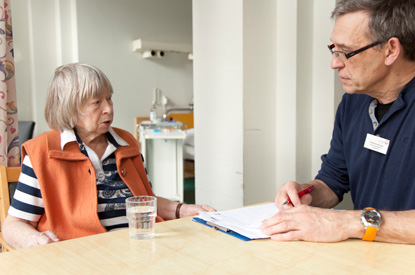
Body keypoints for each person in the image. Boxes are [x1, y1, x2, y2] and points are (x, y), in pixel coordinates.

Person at [2, 63, 215, 249]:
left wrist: (182, 209)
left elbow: (144, 201)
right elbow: (13, 225)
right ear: (69, 108)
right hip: (81, 260)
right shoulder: (42, 152)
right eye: (97, 102)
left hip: (142, 252)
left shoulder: (126, 143)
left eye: (109, 99)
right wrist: (38, 241)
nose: (108, 109)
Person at [261, 0, 415, 244]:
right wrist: (306, 193)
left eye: (347, 52)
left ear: (391, 50)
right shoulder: (352, 104)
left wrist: (347, 222)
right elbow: (333, 182)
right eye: (334, 49)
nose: (335, 63)